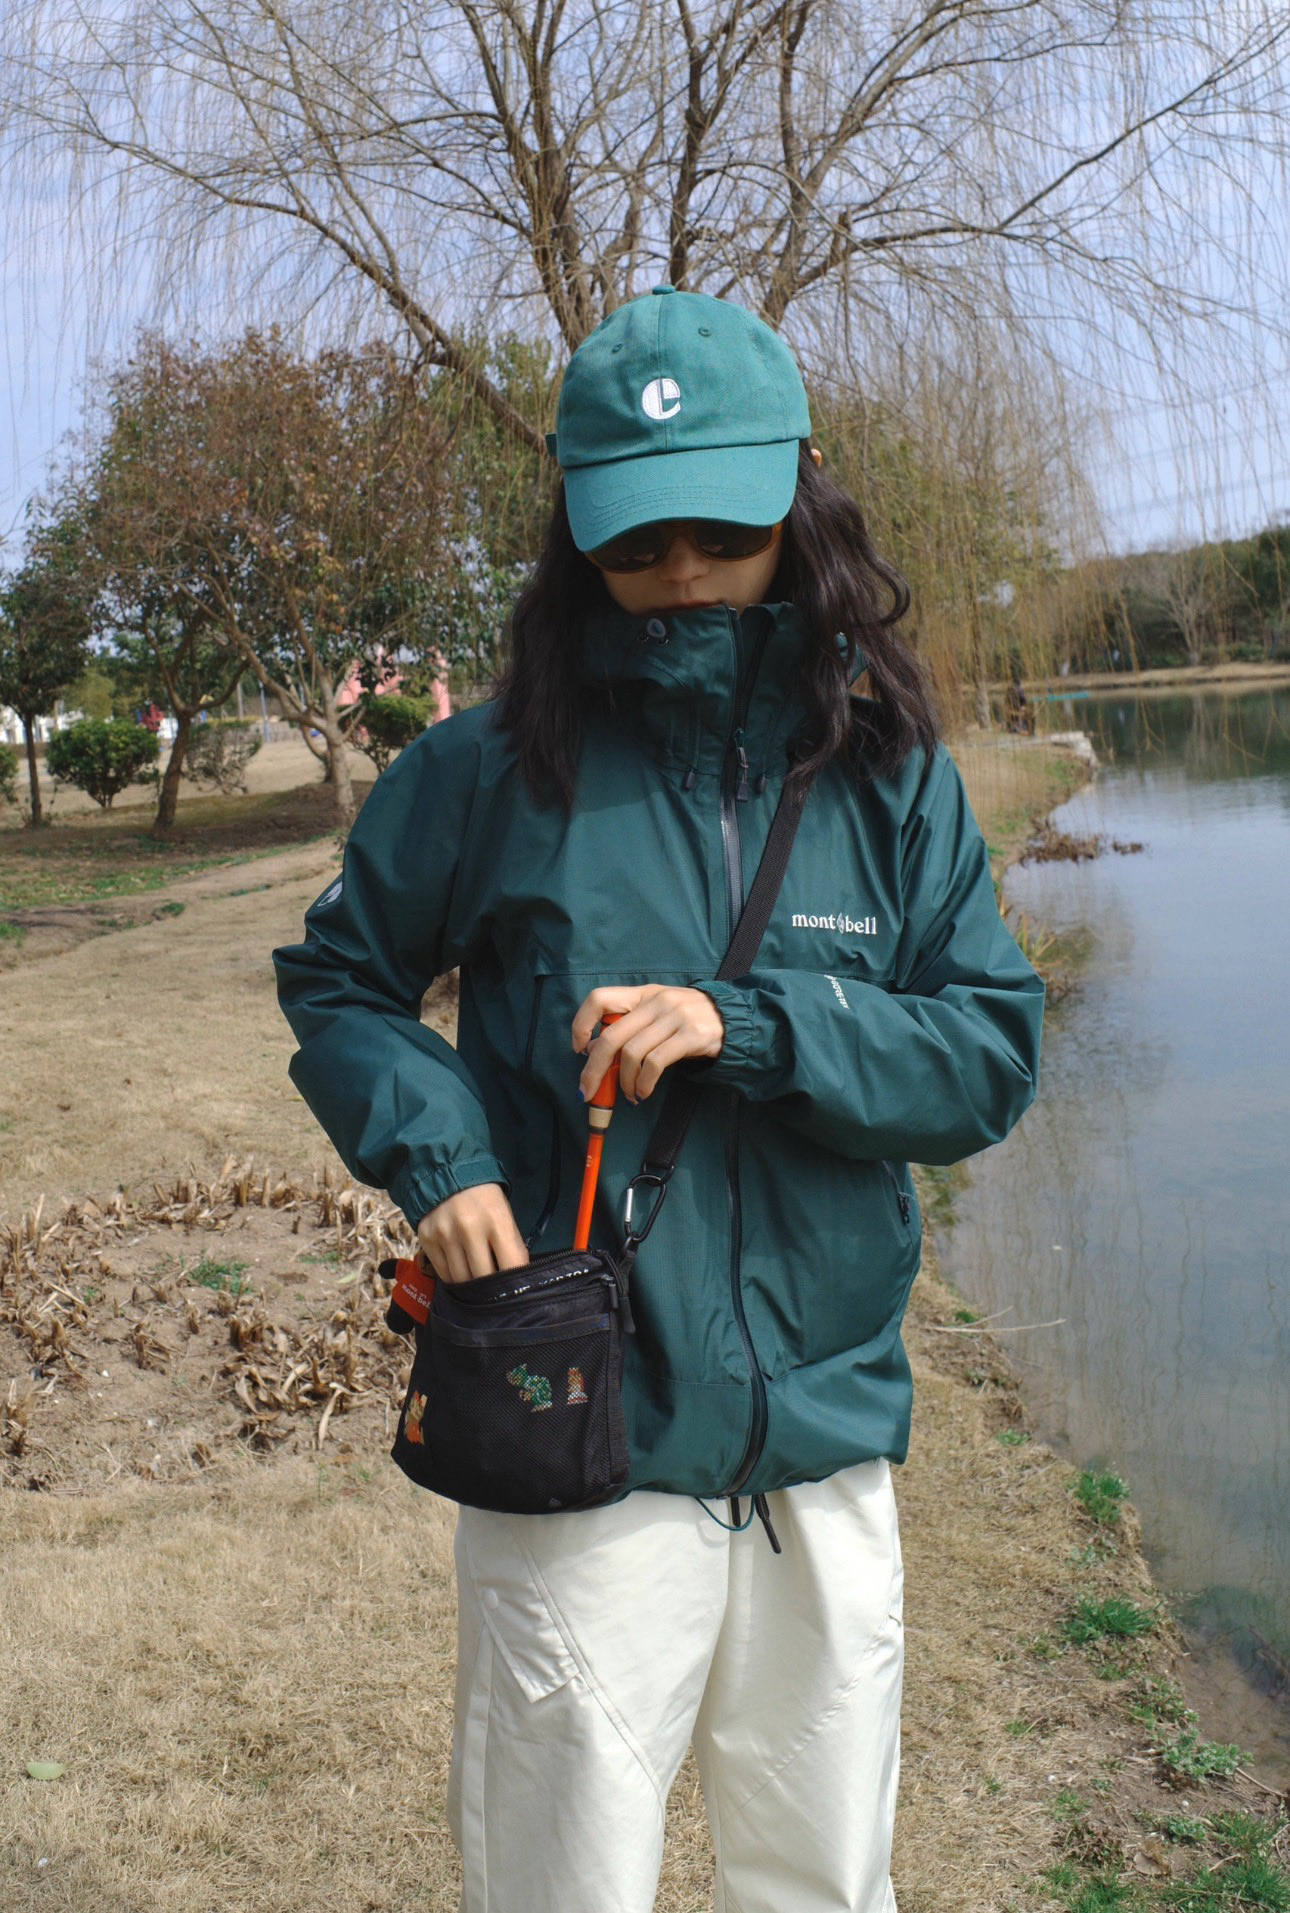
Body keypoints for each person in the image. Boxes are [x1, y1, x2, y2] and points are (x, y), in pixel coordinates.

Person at [274, 286, 1044, 1913]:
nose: (680, 569)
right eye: (634, 537)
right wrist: (440, 1158)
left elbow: (985, 1053)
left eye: (721, 528)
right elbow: (338, 981)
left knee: (822, 1882)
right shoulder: (480, 770)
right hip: (580, 1430)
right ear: (573, 527)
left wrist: (750, 1026)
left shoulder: (890, 775)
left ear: (801, 496)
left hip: (822, 1442)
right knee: (565, 1883)